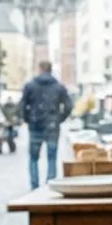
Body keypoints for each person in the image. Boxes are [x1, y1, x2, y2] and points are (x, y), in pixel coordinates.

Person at [19, 60, 74, 189]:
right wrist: (58, 119)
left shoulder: (30, 86)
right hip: (52, 126)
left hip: (35, 125)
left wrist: (28, 119)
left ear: (39, 69)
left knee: (33, 158)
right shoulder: (59, 87)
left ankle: (34, 186)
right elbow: (69, 106)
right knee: (52, 158)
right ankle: (50, 185)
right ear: (50, 70)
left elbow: (21, 106)